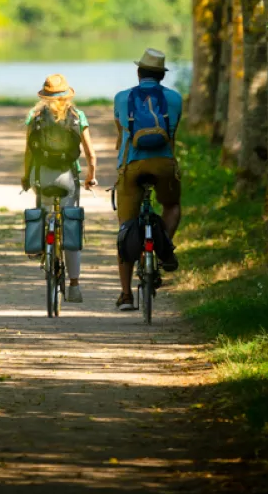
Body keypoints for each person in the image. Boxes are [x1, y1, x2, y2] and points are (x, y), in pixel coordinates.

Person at [113, 48, 182, 311]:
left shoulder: (122, 98)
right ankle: (164, 250)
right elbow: (173, 133)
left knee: (125, 228)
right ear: (162, 75)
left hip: (131, 166)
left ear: (138, 72)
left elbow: (120, 134)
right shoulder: (174, 98)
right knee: (172, 206)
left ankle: (126, 295)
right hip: (164, 165)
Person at [22, 73, 98, 303]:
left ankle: (41, 245)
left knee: (44, 211)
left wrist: (26, 177)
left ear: (44, 96)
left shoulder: (35, 116)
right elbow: (91, 155)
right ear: (67, 95)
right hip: (68, 178)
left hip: (42, 177)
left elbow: (29, 152)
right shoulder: (77, 116)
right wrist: (90, 178)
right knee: (70, 223)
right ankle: (74, 286)